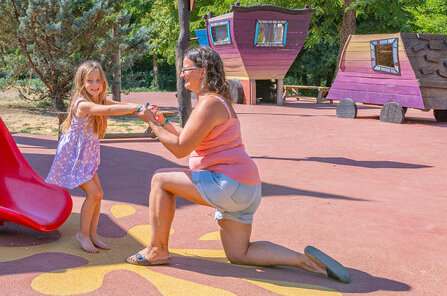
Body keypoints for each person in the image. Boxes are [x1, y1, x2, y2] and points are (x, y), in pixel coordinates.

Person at [128, 45, 350, 284]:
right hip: (246, 188)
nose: (182, 75)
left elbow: (181, 148)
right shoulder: (215, 102)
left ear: (201, 71)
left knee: (160, 179)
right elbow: (191, 140)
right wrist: (165, 123)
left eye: (186, 70)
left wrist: (152, 123)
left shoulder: (209, 104)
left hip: (227, 184)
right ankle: (308, 263)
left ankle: (157, 250)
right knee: (239, 253)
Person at [45, 60, 148, 253]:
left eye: (98, 80)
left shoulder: (97, 99)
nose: (95, 84)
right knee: (93, 194)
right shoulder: (83, 104)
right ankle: (82, 234)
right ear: (82, 83)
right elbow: (109, 110)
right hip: (74, 154)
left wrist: (138, 107)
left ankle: (92, 235)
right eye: (90, 80)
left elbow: (115, 104)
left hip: (86, 153)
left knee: (98, 194)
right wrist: (138, 109)